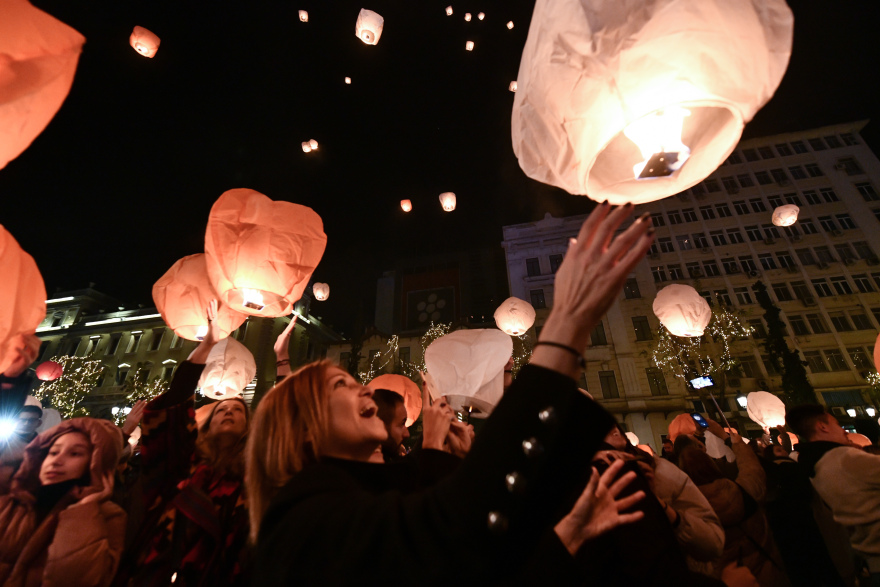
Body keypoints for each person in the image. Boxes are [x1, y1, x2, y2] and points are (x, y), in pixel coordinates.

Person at [245, 203, 658, 585]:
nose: (362, 389)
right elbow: (447, 527)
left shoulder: (363, 494)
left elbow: (472, 565)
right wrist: (567, 324)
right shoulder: (302, 522)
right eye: (341, 385)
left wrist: (568, 535)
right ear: (303, 428)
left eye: (352, 381)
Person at [113, 301, 251, 587]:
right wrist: (207, 346)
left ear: (249, 427)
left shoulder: (254, 477)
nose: (228, 411)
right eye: (222, 409)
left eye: (238, 409)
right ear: (207, 424)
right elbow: (174, 405)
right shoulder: (183, 460)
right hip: (154, 571)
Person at [0, 417, 126, 586]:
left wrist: (83, 511)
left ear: (96, 463)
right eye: (53, 452)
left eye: (75, 454)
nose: (56, 461)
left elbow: (79, 579)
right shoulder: (14, 500)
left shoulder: (108, 516)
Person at [677, 429, 790, 586]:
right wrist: (737, 444)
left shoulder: (686, 514)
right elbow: (752, 469)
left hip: (727, 579)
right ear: (711, 464)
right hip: (768, 573)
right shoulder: (743, 491)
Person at [788, 404, 880, 585]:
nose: (844, 431)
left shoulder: (816, 466)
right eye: (837, 424)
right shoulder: (844, 458)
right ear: (822, 426)